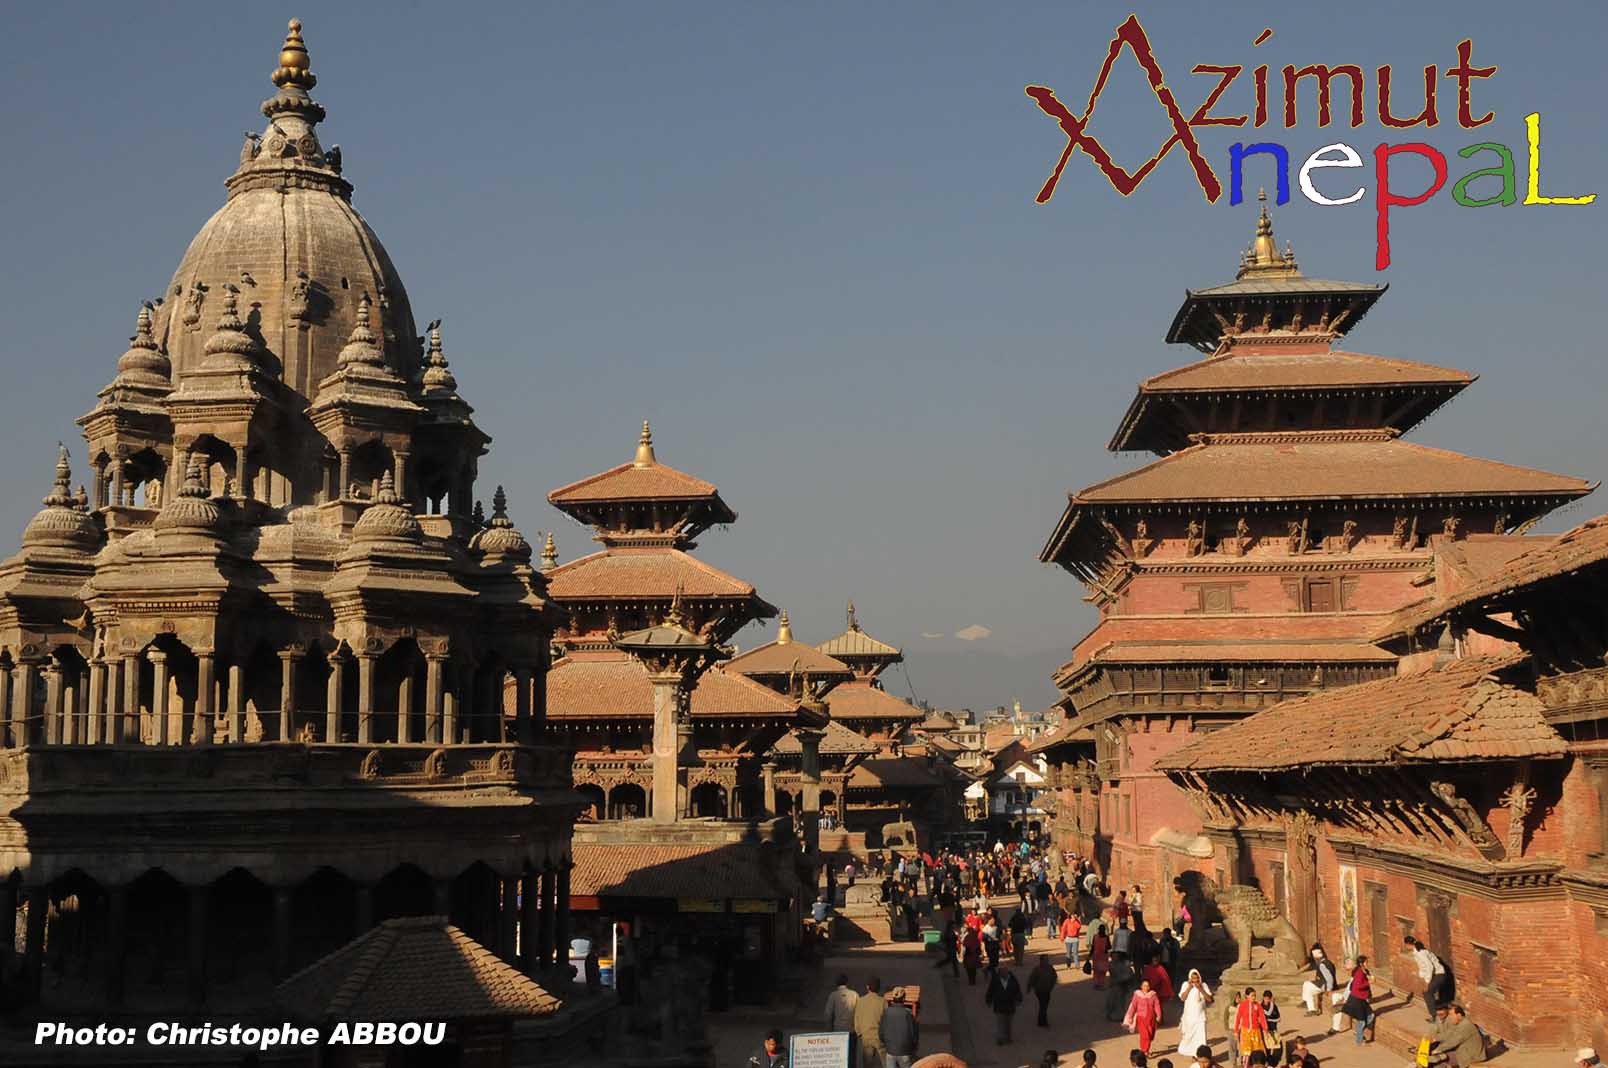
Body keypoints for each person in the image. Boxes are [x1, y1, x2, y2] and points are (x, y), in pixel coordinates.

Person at [1424, 1003, 1484, 1068]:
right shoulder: (1460, 1023)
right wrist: (1435, 1038)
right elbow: (1449, 1033)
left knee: (1440, 1060)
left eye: (1451, 1015)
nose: (1450, 1017)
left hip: (1472, 1055)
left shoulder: (1465, 1026)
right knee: (1440, 1058)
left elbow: (1453, 1041)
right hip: (1463, 1050)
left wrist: (1438, 1049)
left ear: (1459, 1015)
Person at [1407, 937, 1449, 1021]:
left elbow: (1430, 967)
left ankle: (1435, 1016)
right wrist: (1422, 977)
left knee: (1427, 992)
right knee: (1428, 993)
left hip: (1439, 974)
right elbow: (1422, 967)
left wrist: (1427, 981)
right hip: (1435, 975)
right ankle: (1437, 1013)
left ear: (1408, 944)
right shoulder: (1417, 952)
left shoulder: (1421, 953)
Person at [986, 961, 1025, 1045]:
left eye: (1005, 971)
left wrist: (1019, 999)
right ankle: (1000, 1039)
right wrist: (988, 1001)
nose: (1004, 974)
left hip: (1010, 1006)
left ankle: (1008, 1038)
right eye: (1002, 972)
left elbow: (1017, 991)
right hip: (999, 1006)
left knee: (1009, 1023)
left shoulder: (1013, 980)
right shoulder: (995, 980)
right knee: (1000, 1023)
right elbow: (990, 991)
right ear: (999, 973)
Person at [880, 987, 920, 1068]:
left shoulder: (886, 1013)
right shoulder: (908, 1014)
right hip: (904, 1052)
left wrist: (887, 1045)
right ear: (904, 998)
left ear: (893, 998)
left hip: (890, 1051)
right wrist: (913, 1048)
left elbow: (881, 1033)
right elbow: (913, 1035)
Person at [1123, 977, 1164, 1054]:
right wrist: (1130, 1016)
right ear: (1141, 986)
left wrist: (1159, 1015)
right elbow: (1133, 1006)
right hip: (1141, 1018)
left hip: (1151, 1019)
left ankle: (1145, 1049)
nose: (1146, 987)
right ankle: (1145, 1051)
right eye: (1144, 986)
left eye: (1148, 986)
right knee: (1145, 1035)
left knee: (1150, 1035)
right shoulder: (1137, 995)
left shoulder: (1153, 995)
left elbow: (1157, 1005)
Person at [1232, 986, 1271, 1068]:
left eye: (1255, 995)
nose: (1254, 997)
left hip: (1256, 1031)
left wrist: (1265, 1029)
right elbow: (1238, 1018)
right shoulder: (1242, 1005)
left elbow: (1262, 1018)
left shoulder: (1258, 1006)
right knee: (1246, 1051)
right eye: (1252, 995)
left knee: (1258, 1051)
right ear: (1247, 996)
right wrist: (1236, 1031)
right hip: (1246, 1032)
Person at [1177, 968, 1212, 1055]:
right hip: (1189, 1017)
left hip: (1200, 1017)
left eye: (1196, 978)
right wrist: (1189, 987)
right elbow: (1182, 998)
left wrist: (1200, 989)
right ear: (1190, 978)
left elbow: (1209, 999)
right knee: (1189, 1037)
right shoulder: (1185, 984)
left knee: (1201, 1037)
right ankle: (1192, 1053)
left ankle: (1200, 1055)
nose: (1195, 980)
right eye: (1193, 978)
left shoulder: (1203, 985)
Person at [853, 977, 887, 1068]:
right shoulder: (883, 1001)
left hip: (866, 1036)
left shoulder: (860, 1001)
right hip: (879, 1037)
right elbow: (886, 1021)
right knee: (885, 1063)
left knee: (867, 1064)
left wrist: (859, 1033)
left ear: (867, 987)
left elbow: (856, 1018)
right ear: (879, 988)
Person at [1343, 956, 1377, 1045]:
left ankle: (1359, 1033)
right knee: (1362, 1020)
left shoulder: (1363, 971)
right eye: (1366, 962)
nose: (1367, 964)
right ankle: (1359, 1040)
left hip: (1361, 999)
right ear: (1361, 964)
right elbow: (1358, 986)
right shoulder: (1359, 973)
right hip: (1357, 999)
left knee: (1370, 1015)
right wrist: (1369, 982)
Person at [1300, 943, 1339, 1016]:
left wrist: (1329, 989)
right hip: (1328, 984)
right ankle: (1306, 1001)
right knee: (1307, 985)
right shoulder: (1328, 962)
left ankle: (1311, 1008)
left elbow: (1329, 977)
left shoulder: (1322, 965)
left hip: (1326, 986)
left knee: (1307, 986)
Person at [1027, 954, 1058, 1027]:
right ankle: (1043, 1022)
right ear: (1041, 960)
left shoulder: (1050, 968)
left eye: (1047, 959)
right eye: (1045, 959)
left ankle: (1041, 1021)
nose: (1047, 961)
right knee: (1043, 1005)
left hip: (1047, 989)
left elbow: (1054, 976)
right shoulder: (1037, 969)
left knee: (1044, 1005)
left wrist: (1052, 985)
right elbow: (1032, 979)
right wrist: (1029, 987)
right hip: (1040, 990)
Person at [1105, 951, 1136, 1022]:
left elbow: (1129, 974)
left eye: (1116, 956)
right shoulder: (1112, 965)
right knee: (1113, 1000)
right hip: (1116, 985)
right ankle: (1113, 1014)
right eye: (1113, 956)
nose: (1114, 957)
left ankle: (1118, 1015)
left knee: (1120, 1001)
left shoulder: (1120, 964)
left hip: (1120, 986)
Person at [1260, 991, 1281, 1066]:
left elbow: (1278, 1018)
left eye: (1268, 999)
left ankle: (1272, 1064)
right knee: (1266, 1048)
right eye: (1265, 998)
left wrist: (1269, 1020)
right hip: (1264, 1030)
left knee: (1276, 1047)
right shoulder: (1260, 1007)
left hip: (1273, 1029)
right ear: (1263, 997)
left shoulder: (1274, 1006)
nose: (1267, 1000)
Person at [1091, 923, 1112, 988]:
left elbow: (1093, 947)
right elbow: (1109, 947)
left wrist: (1089, 956)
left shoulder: (1095, 937)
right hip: (1103, 956)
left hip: (1096, 955)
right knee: (1103, 971)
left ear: (1098, 930)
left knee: (1096, 970)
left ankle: (1096, 983)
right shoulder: (1106, 937)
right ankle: (1101, 984)